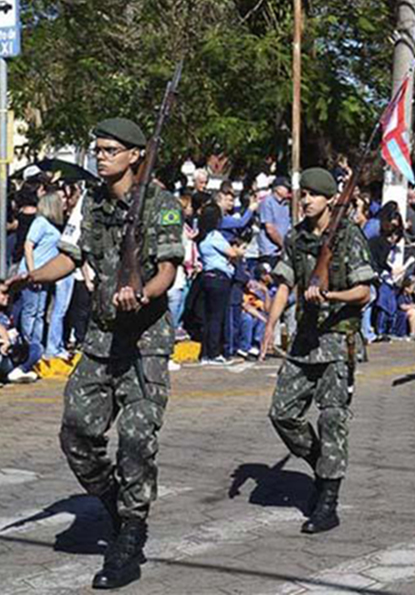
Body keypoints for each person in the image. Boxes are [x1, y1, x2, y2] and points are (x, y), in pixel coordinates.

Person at [3, 118, 184, 589]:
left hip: (145, 343)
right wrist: (28, 276)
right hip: (101, 340)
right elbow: (73, 257)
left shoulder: (160, 204)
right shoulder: (93, 202)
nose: (101, 156)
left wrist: (141, 292)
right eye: (98, 148)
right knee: (76, 433)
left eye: (109, 150)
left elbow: (168, 270)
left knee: (138, 440)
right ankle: (113, 503)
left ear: (134, 155)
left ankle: (131, 531)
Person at [261, 168, 375, 534]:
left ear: (328, 199)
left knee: (331, 419)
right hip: (304, 341)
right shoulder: (295, 237)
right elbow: (283, 284)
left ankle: (328, 500)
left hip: (338, 341)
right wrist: (271, 324)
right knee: (282, 413)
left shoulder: (348, 237)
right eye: (303, 194)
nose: (305, 199)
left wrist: (329, 295)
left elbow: (364, 292)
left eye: (312, 194)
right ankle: (320, 462)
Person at [197, 204, 245, 363]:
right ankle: (214, 353)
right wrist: (239, 252)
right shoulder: (215, 235)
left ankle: (205, 352)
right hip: (220, 278)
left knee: (208, 317)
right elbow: (232, 253)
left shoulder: (202, 237)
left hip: (206, 277)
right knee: (218, 317)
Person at [19, 190, 64, 351]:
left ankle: (35, 347)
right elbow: (28, 245)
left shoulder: (51, 225)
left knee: (39, 312)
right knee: (31, 310)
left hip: (44, 274)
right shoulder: (40, 223)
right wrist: (33, 273)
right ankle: (27, 345)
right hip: (33, 272)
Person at [258, 176, 292, 270]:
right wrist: (283, 245)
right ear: (277, 188)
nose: (288, 190)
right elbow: (270, 229)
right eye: (285, 187)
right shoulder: (267, 202)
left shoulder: (286, 204)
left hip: (281, 252)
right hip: (269, 252)